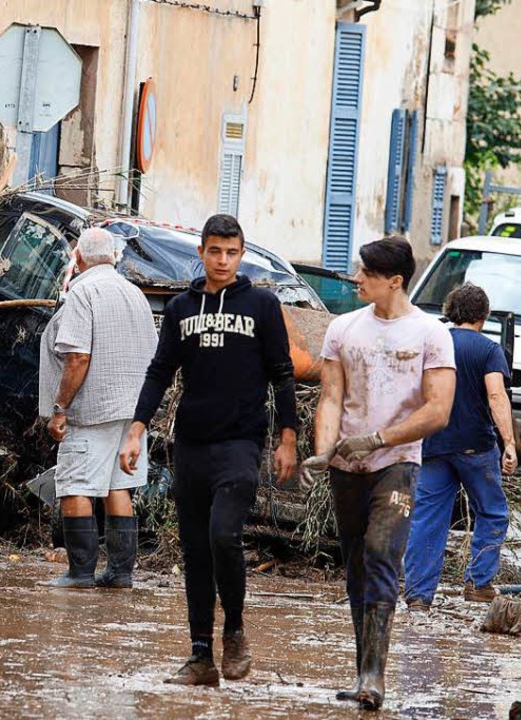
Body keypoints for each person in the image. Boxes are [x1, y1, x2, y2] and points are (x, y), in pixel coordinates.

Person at [118, 214, 298, 686]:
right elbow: (160, 371)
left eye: (231, 252)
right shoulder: (180, 307)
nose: (222, 260)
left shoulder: (261, 304)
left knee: (224, 536)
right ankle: (201, 656)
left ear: (241, 255)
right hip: (191, 444)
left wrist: (288, 438)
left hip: (240, 442)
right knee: (196, 551)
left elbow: (282, 372)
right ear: (201, 252)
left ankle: (234, 630)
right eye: (214, 251)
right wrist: (136, 429)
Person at [302, 236, 455, 711]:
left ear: (395, 281)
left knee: (381, 553)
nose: (356, 279)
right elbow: (330, 397)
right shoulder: (344, 328)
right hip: (347, 466)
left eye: (365, 273)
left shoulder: (431, 334)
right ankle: (362, 669)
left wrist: (381, 439)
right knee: (356, 568)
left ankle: (375, 676)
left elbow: (438, 410)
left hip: (398, 464)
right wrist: (321, 452)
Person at [38, 227, 158, 589]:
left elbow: (77, 357)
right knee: (118, 487)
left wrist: (60, 408)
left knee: (75, 485)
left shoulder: (83, 292)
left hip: (92, 410)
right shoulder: (135, 293)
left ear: (78, 258)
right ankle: (121, 573)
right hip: (133, 410)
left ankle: (80, 573)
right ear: (115, 257)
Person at [404, 283, 516, 610]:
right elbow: (496, 396)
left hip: (433, 444)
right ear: (483, 315)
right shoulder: (488, 350)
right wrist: (508, 443)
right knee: (493, 512)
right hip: (476, 448)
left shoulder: (433, 344)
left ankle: (418, 596)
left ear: (451, 310)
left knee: (427, 518)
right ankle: (479, 584)